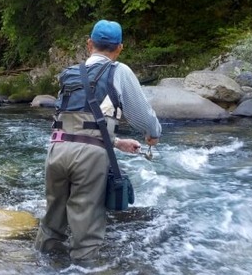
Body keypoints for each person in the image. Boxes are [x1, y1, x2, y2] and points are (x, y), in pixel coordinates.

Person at [34, 19, 162, 261]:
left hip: (56, 149)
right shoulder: (119, 71)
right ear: (120, 48)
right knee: (87, 226)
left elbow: (76, 122)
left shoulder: (69, 73)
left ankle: (40, 273)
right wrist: (153, 133)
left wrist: (115, 142)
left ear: (89, 44)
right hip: (89, 157)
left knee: (52, 220)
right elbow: (141, 114)